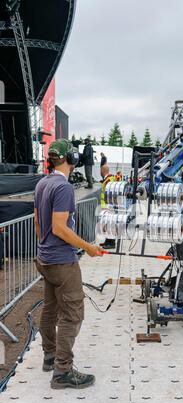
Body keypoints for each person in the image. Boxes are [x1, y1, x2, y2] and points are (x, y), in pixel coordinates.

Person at [34, 139, 105, 390]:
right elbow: (60, 228)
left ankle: (50, 356)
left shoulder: (43, 183)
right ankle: (62, 371)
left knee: (50, 310)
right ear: (72, 159)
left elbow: (38, 223)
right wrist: (89, 247)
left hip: (45, 259)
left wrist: (46, 246)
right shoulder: (63, 188)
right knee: (72, 314)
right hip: (62, 262)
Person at [100, 163, 116, 250]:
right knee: (107, 224)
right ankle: (108, 240)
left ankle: (111, 242)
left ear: (102, 170)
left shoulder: (108, 180)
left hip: (108, 206)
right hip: (107, 206)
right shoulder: (109, 178)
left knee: (109, 224)